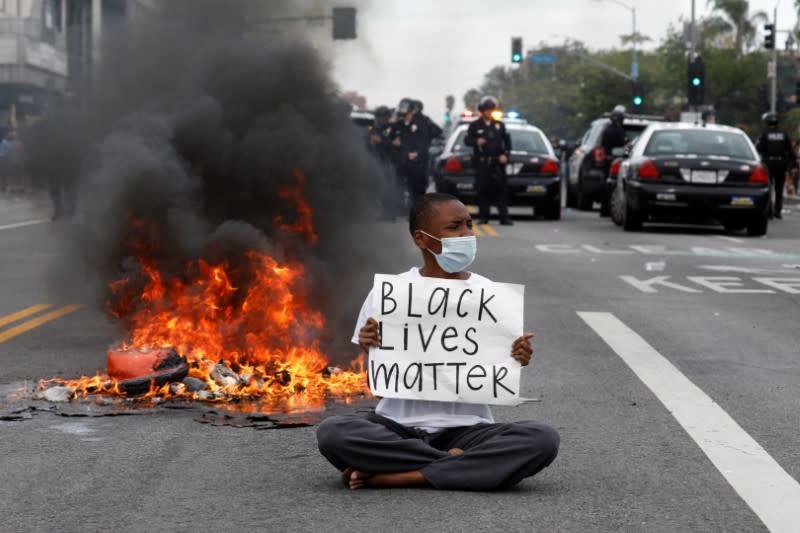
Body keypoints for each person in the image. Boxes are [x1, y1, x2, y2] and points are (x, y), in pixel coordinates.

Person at [316, 193, 560, 491]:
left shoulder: (489, 295)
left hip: (468, 430)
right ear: (422, 239)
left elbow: (498, 365)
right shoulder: (392, 293)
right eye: (454, 227)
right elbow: (380, 378)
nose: (467, 234)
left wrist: (518, 356)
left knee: (542, 439)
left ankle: (402, 474)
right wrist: (370, 347)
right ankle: (457, 465)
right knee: (334, 433)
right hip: (398, 427)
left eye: (469, 225)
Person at [464, 96, 512, 225]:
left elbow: (507, 143)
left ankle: (504, 217)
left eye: (491, 110)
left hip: (497, 163)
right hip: (482, 163)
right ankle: (484, 217)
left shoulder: (499, 125)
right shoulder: (475, 125)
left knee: (501, 191)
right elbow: (467, 140)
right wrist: (476, 141)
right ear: (482, 111)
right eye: (486, 110)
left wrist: (506, 155)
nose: (489, 112)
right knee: (483, 190)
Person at [390, 98, 432, 206]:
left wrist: (417, 152)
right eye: (404, 113)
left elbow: (425, 141)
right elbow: (390, 137)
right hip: (402, 160)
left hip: (416, 162)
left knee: (416, 188)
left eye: (407, 112)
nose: (405, 115)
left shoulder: (420, 123)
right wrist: (394, 141)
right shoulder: (398, 124)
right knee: (399, 185)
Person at [756, 112, 796, 219]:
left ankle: (769, 211)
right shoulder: (783, 134)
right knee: (779, 189)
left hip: (768, 164)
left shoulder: (764, 135)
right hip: (781, 164)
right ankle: (778, 211)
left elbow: (758, 149)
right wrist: (794, 165)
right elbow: (790, 150)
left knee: (768, 188)